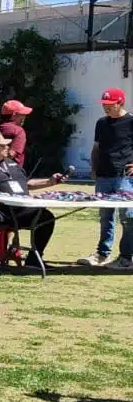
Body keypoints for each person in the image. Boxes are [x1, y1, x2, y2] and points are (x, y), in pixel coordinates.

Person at [0, 131, 64, 269]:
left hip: (20, 210)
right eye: (3, 145)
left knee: (46, 217)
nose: (8, 147)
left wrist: (50, 181)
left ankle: (34, 259)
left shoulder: (12, 164)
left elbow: (27, 184)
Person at [80, 88, 133, 268]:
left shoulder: (131, 121)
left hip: (124, 177)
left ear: (120, 103)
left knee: (127, 216)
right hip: (103, 176)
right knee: (105, 216)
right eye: (104, 105)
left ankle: (126, 257)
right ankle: (102, 254)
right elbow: (96, 147)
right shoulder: (101, 123)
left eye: (110, 105)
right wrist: (94, 168)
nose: (106, 108)